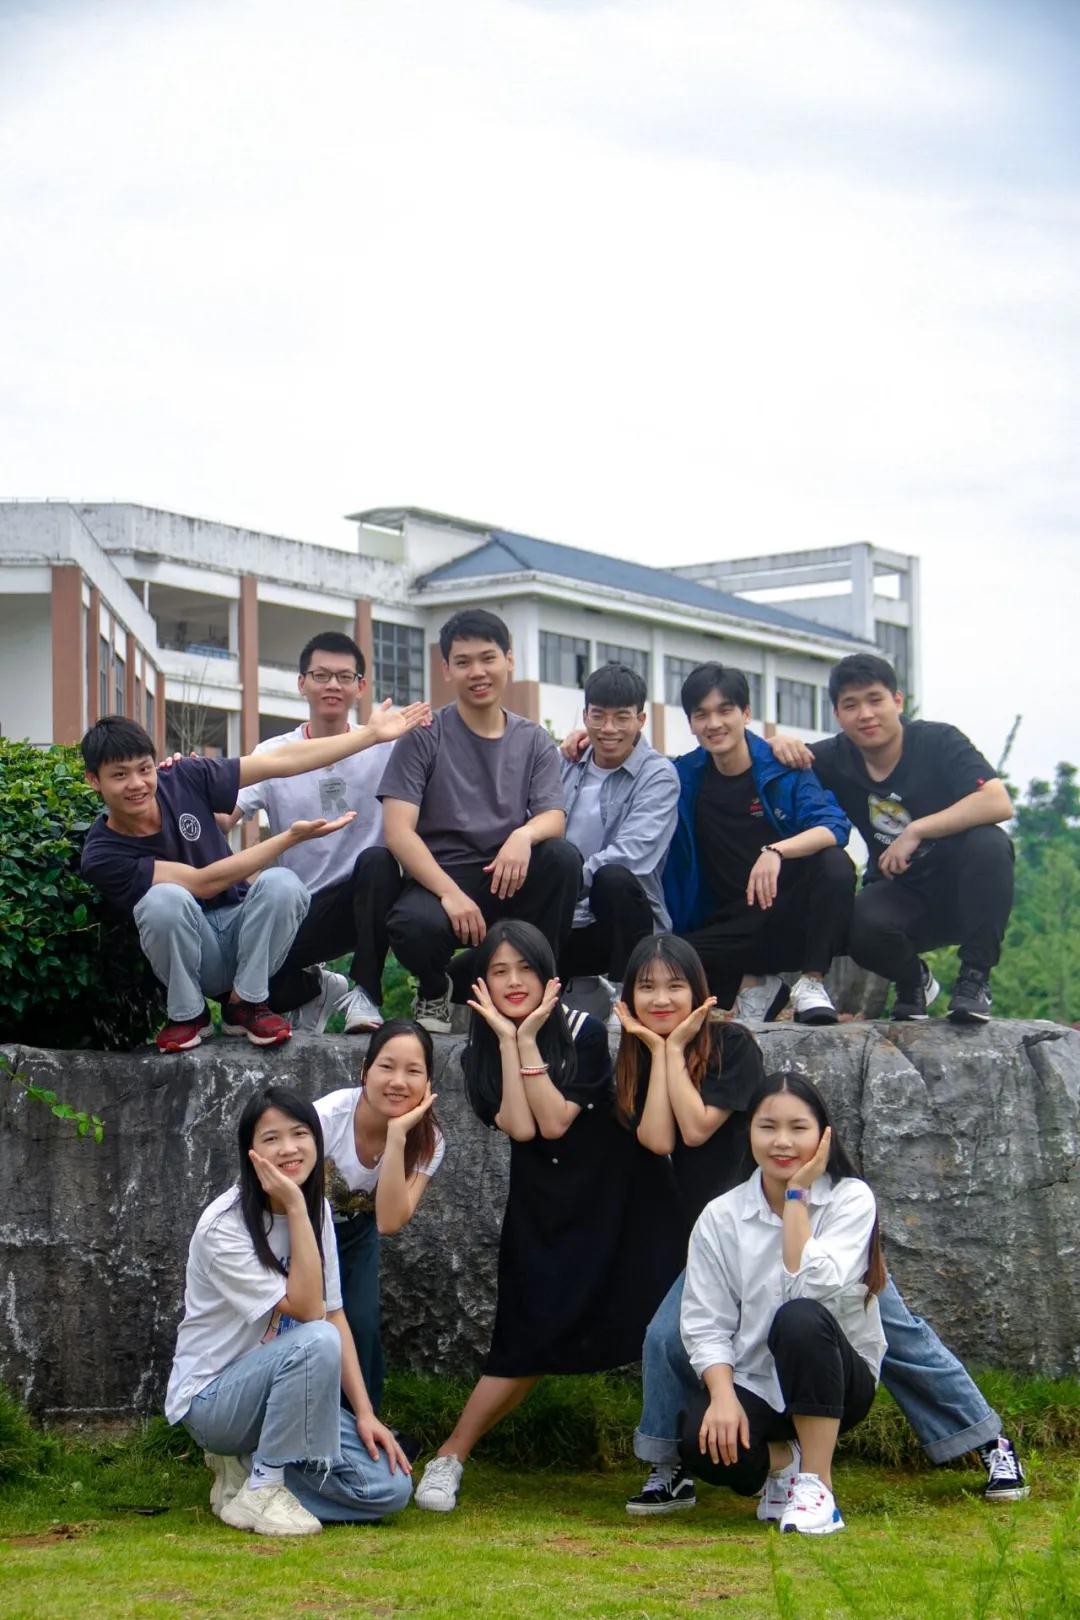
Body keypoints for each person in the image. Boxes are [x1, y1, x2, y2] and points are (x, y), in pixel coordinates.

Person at [412, 920, 685, 1513]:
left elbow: (557, 1120)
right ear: (482, 983)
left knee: (666, 1328)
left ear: (548, 976)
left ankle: (679, 1462)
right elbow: (521, 1125)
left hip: (621, 1196)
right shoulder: (477, 1053)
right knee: (524, 1338)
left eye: (526, 969)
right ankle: (449, 1458)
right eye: (499, 971)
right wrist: (510, 1042)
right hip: (545, 1205)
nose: (514, 982)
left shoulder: (584, 1029)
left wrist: (529, 1039)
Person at [79, 702, 428, 1054]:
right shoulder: (102, 852)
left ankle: (247, 1003)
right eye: (120, 775)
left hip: (243, 933)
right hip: (197, 952)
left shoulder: (182, 777)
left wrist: (370, 736)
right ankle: (188, 1015)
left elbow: (280, 761)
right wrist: (289, 838)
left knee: (282, 883)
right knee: (163, 900)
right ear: (93, 780)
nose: (137, 784)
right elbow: (201, 883)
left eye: (144, 769)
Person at [164, 1086, 412, 1536]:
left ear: (316, 1141)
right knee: (315, 1339)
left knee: (389, 1488)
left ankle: (244, 1471)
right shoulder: (224, 1227)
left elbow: (334, 1314)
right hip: (215, 1401)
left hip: (292, 1398)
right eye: (271, 1138)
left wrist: (365, 1413)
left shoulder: (317, 1210)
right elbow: (310, 1312)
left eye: (299, 1134)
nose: (288, 1148)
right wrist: (297, 1207)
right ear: (251, 1153)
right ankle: (263, 1487)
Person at [678, 1074, 886, 1535]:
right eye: (768, 1127)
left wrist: (796, 1197)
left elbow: (815, 1287)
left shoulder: (850, 1198)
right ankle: (784, 1463)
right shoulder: (721, 1216)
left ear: (823, 1135)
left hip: (837, 1380)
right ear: (749, 1131)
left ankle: (818, 1486)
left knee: (799, 1318)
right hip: (756, 1379)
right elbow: (705, 1321)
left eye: (798, 1128)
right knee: (700, 1443)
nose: (783, 1142)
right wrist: (722, 1397)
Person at [767, 653, 1015, 1022]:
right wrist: (777, 740)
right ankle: (913, 981)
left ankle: (974, 980)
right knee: (857, 925)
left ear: (897, 701)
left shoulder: (938, 741)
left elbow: (997, 801)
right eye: (851, 705)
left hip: (964, 893)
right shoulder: (834, 758)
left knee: (990, 843)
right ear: (837, 714)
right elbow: (765, 761)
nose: (865, 714)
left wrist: (917, 829)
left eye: (875, 700)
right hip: (901, 892)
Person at [378, 609, 582, 1033]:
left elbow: (553, 817)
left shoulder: (532, 739)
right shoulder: (424, 735)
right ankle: (435, 989)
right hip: (440, 879)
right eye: (463, 661)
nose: (477, 672)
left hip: (506, 875)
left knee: (562, 859)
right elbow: (397, 831)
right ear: (446, 669)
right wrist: (450, 893)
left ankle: (541, 990)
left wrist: (523, 835)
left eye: (488, 658)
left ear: (509, 661)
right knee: (413, 924)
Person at [223, 631, 405, 1036]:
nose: (332, 685)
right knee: (238, 993)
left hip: (364, 900)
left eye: (344, 677)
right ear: (302, 683)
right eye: (321, 675)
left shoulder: (385, 747)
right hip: (298, 908)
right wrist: (182, 780)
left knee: (378, 862)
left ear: (361, 686)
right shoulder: (273, 753)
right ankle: (317, 989)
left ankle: (366, 995)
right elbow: (224, 818)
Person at [662, 663, 854, 1024]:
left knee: (835, 863)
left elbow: (833, 826)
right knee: (663, 959)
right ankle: (757, 986)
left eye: (725, 710)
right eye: (701, 714)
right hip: (726, 923)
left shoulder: (782, 767)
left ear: (746, 713)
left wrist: (776, 850)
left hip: (784, 916)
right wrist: (584, 739)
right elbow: (636, 766)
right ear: (690, 723)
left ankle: (811, 984)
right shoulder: (683, 776)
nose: (714, 723)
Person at [315, 1020, 445, 1415]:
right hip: (304, 1230)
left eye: (413, 1071)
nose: (398, 1082)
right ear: (365, 1071)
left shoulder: (429, 1141)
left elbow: (388, 1222)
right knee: (312, 1325)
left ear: (428, 1083)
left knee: (362, 1324)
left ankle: (362, 1427)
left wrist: (397, 1136)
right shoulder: (326, 1119)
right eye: (386, 1067)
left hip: (358, 1234)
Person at [557, 663, 679, 1007]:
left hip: (621, 926)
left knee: (614, 877)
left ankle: (628, 996)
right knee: (468, 970)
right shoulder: (564, 761)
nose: (608, 728)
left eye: (622, 717)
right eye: (598, 716)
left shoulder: (658, 775)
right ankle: (578, 988)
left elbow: (633, 855)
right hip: (565, 919)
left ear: (640, 720)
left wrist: (561, 884)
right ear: (585, 716)